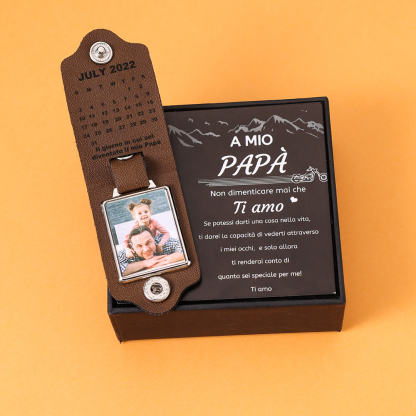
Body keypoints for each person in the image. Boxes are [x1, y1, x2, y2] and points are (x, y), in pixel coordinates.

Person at [118, 226, 184, 276]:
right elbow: (115, 271)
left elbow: (185, 247)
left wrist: (157, 263)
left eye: (148, 242)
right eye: (139, 246)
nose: (146, 249)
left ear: (154, 239)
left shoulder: (160, 242)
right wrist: (145, 263)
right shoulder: (128, 252)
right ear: (132, 247)